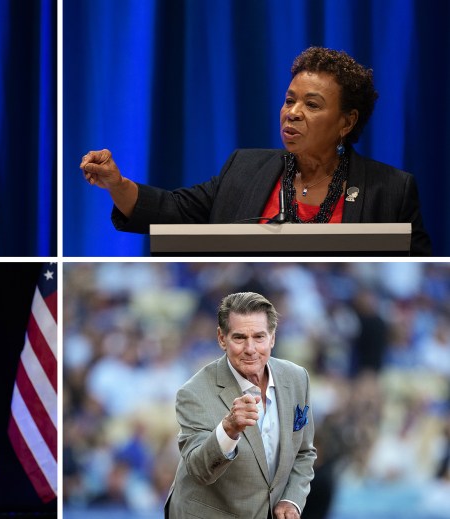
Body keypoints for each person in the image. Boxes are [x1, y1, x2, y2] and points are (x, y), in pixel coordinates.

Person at [80, 47, 431, 255]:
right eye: (289, 100)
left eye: (312, 104)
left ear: (346, 122)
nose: (292, 112)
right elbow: (171, 210)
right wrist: (116, 183)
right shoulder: (245, 168)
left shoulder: (391, 190)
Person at [164, 292, 315, 519]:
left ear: (272, 338)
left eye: (259, 337)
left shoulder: (297, 378)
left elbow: (304, 453)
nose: (251, 348)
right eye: (239, 338)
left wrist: (291, 499)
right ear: (221, 338)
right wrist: (228, 429)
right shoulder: (193, 393)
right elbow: (199, 470)